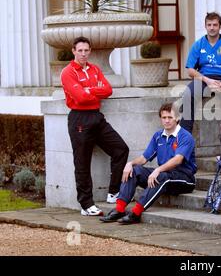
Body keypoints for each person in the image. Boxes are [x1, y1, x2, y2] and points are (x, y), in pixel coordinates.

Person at [61, 36, 129, 216]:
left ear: (90, 51)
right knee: (82, 162)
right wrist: (91, 91)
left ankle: (113, 192)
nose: (83, 54)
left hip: (97, 117)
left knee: (120, 149)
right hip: (79, 119)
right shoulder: (67, 72)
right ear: (73, 51)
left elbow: (108, 90)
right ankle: (86, 205)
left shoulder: (95, 69)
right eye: (80, 50)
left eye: (86, 50)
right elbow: (80, 98)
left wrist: (88, 89)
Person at [100, 103, 197, 224]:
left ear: (177, 118)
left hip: (185, 178)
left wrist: (158, 170)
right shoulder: (158, 136)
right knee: (135, 171)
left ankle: (135, 213)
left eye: (170, 117)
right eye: (164, 117)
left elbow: (178, 160)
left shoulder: (185, 136)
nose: (167, 121)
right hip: (165, 175)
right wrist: (130, 163)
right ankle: (119, 209)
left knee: (162, 176)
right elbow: (144, 158)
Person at [180, 12, 221, 133]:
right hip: (204, 80)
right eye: (209, 25)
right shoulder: (198, 45)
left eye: (215, 25)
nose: (212, 28)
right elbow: (190, 70)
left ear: (220, 26)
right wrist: (207, 80)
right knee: (188, 95)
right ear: (205, 26)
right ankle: (184, 139)